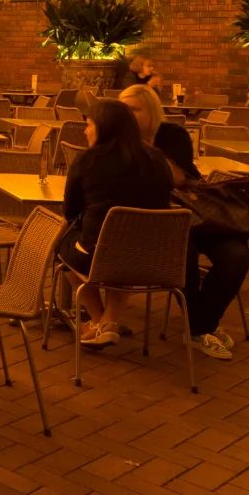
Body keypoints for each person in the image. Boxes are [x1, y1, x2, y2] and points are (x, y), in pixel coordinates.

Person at [58, 99, 174, 349]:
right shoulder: (157, 159)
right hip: (152, 257)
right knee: (125, 249)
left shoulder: (88, 161)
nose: (85, 131)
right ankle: (108, 322)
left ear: (104, 127)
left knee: (63, 247)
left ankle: (100, 320)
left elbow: (70, 211)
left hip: (97, 256)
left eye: (89, 125)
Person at [151, 122, 249, 362]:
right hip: (157, 224)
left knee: (237, 255)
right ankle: (199, 328)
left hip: (198, 217)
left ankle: (203, 323)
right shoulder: (127, 142)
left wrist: (174, 169)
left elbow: (186, 175)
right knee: (184, 253)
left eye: (137, 108)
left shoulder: (170, 132)